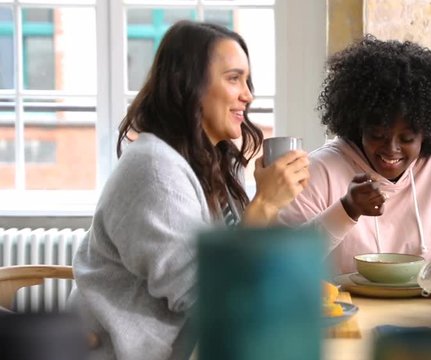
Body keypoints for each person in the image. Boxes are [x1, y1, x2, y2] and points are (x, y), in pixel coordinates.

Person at [69, 20, 309, 360]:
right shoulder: (155, 171)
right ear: (190, 86)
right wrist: (265, 205)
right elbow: (207, 298)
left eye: (247, 80)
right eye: (233, 78)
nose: (248, 95)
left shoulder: (212, 161)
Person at [278, 35, 431, 275]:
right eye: (378, 135)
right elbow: (282, 264)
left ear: (427, 134)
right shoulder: (320, 169)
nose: (391, 149)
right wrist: (347, 209)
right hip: (342, 310)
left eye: (407, 139)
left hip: (429, 310)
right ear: (359, 126)